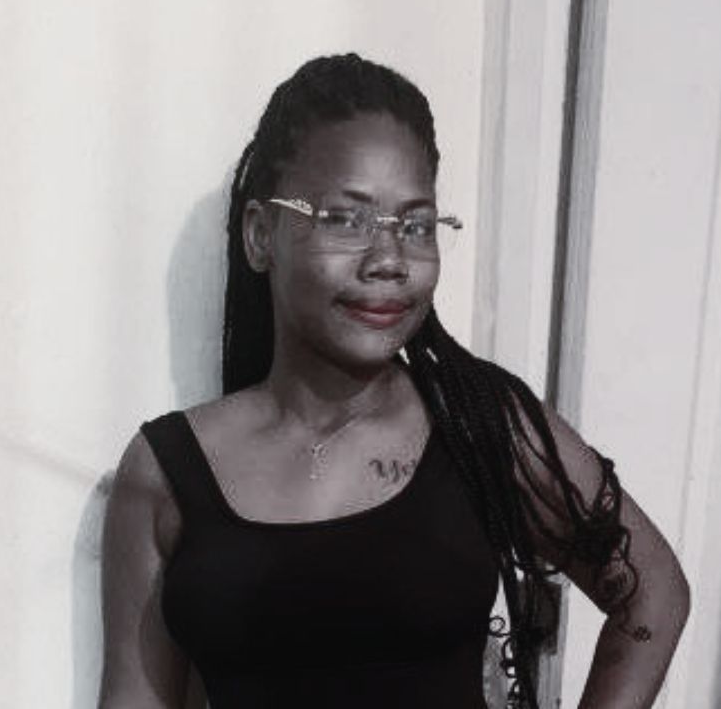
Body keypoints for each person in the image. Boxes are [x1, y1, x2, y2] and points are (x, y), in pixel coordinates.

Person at [99, 53, 689, 709]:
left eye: (416, 226)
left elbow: (654, 593)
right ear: (262, 234)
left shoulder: (478, 428)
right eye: (345, 219)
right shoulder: (166, 472)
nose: (389, 259)